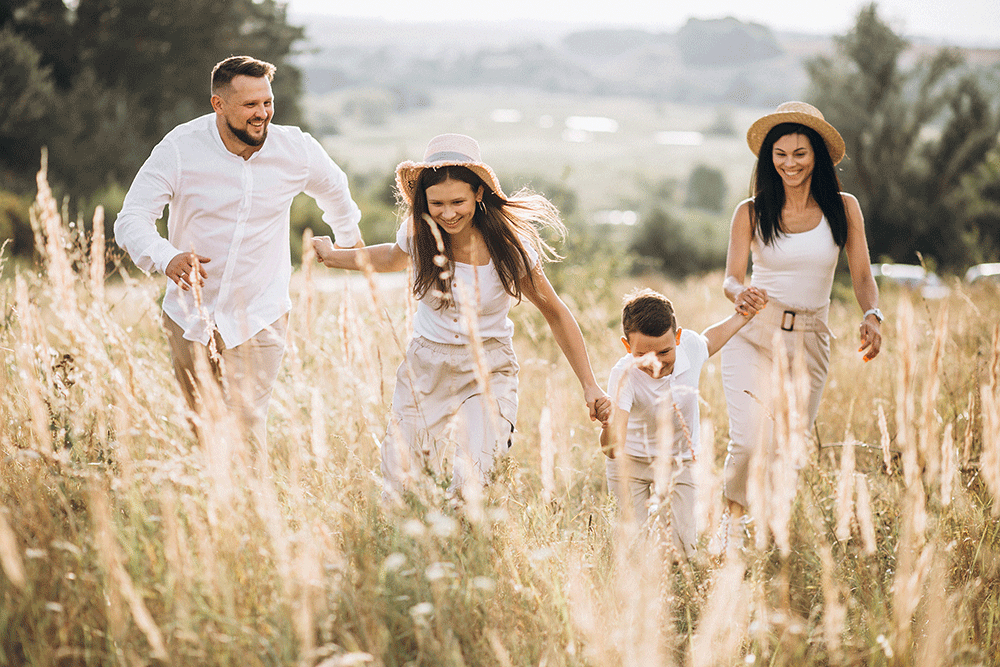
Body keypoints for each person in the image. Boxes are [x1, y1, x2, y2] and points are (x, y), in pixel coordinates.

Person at [312, 133, 610, 498]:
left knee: (475, 480)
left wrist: (590, 385)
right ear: (424, 201)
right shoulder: (419, 232)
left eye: (458, 201)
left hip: (489, 365)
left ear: (479, 194)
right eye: (437, 203)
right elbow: (391, 257)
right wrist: (331, 255)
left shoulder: (509, 248)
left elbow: (556, 313)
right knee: (401, 485)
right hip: (426, 365)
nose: (448, 213)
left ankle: (467, 543)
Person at [114, 55, 364, 450]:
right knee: (205, 430)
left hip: (259, 314)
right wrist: (167, 257)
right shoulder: (180, 148)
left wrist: (349, 244)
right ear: (219, 105)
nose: (262, 114)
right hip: (189, 315)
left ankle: (253, 509)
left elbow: (334, 187)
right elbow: (131, 219)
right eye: (250, 105)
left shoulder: (295, 149)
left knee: (245, 425)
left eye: (267, 102)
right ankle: (217, 507)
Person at [720, 101, 883, 544]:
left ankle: (768, 536)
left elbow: (863, 275)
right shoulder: (750, 211)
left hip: (812, 339)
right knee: (751, 441)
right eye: (780, 154)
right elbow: (732, 278)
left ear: (818, 157)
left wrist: (873, 314)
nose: (789, 163)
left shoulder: (844, 208)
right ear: (769, 158)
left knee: (787, 451)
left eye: (800, 154)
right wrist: (741, 293)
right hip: (752, 334)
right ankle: (730, 530)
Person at [600, 288, 757, 558]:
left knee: (682, 549)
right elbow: (614, 449)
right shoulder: (623, 376)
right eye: (644, 356)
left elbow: (710, 340)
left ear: (678, 338)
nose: (656, 364)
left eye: (664, 352)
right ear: (628, 347)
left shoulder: (690, 348)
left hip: (680, 462)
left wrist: (742, 316)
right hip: (631, 464)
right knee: (632, 550)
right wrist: (607, 424)